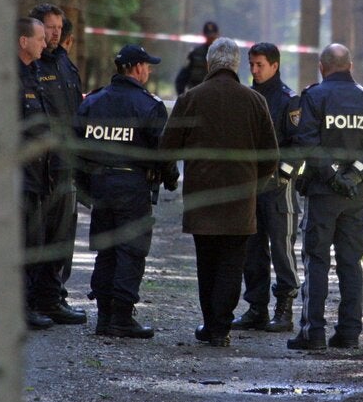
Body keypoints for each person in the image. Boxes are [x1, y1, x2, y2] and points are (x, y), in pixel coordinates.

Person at [160, 37, 279, 347]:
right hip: (241, 200)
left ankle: (211, 324)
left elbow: (167, 147)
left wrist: (172, 174)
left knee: (207, 262)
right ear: (237, 65)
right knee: (231, 264)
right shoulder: (255, 101)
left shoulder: (191, 99)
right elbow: (271, 155)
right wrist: (255, 182)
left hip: (202, 197)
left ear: (211, 64)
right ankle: (221, 327)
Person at [288, 44, 363, 350]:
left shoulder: (315, 96)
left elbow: (307, 142)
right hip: (355, 196)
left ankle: (313, 333)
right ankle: (349, 333)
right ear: (350, 65)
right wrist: (355, 174)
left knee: (316, 261)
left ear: (322, 66)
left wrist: (334, 175)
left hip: (323, 194)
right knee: (350, 263)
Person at [76, 44, 178, 338]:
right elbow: (164, 151)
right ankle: (121, 317)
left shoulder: (93, 102)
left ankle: (104, 317)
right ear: (135, 68)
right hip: (132, 187)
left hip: (101, 186)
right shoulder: (148, 105)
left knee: (106, 249)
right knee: (130, 251)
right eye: (146, 66)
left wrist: (84, 187)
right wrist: (170, 179)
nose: (148, 71)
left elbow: (75, 147)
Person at [231, 42, 302, 333]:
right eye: (251, 64)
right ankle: (256, 307)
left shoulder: (288, 100)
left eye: (260, 64)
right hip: (250, 185)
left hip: (277, 186)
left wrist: (284, 176)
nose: (254, 70)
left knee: (282, 247)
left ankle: (284, 309)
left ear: (275, 65)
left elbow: (299, 144)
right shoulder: (245, 97)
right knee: (252, 248)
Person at [28, 3, 86, 325]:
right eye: (50, 28)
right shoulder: (32, 68)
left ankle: (53, 297)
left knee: (63, 237)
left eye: (59, 28)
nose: (55, 33)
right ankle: (34, 300)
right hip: (41, 168)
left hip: (66, 164)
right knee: (39, 237)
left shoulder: (65, 64)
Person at [17, 17, 55, 330]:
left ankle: (27, 305)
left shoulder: (35, 74)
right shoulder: (10, 77)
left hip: (37, 174)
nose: (45, 44)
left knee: (34, 242)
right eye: (40, 38)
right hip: (18, 176)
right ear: (23, 41)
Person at [175, 21, 219, 94]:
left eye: (213, 36)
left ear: (218, 35)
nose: (211, 39)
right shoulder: (194, 54)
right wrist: (183, 99)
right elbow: (181, 79)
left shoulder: (224, 54)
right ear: (204, 35)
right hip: (196, 97)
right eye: (208, 36)